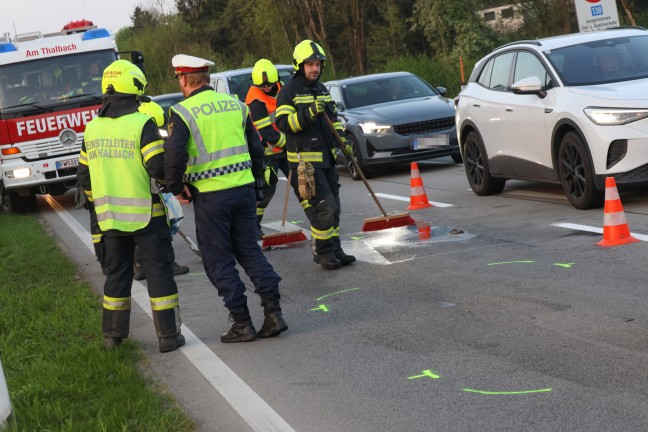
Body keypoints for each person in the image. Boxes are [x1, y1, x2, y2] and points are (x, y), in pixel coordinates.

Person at [164, 54, 287, 342]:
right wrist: (255, 182)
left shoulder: (181, 112)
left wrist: (175, 186)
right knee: (250, 251)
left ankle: (242, 323)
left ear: (183, 79)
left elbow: (175, 155)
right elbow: (256, 149)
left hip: (210, 197)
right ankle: (274, 313)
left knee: (218, 260)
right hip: (243, 191)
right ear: (206, 77)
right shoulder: (236, 105)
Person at [77, 59, 185, 353]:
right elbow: (157, 167)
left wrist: (99, 200)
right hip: (146, 217)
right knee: (159, 272)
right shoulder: (142, 123)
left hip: (110, 220)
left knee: (117, 276)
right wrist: (170, 184)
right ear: (135, 90)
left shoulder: (92, 129)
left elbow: (84, 176)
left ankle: (112, 337)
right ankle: (168, 337)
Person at [275, 40, 356, 270]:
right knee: (324, 207)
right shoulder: (288, 91)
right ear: (299, 66)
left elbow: (334, 121)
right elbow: (282, 123)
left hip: (327, 159)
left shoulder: (321, 89)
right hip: (305, 164)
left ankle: (335, 250)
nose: (315, 69)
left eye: (318, 64)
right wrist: (309, 112)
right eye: (310, 64)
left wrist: (344, 142)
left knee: (335, 208)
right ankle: (322, 253)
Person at [134, 100, 190, 281]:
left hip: (135, 190)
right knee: (163, 225)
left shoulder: (138, 122)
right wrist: (171, 185)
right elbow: (157, 164)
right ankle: (167, 264)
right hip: (149, 187)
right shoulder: (143, 127)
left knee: (141, 229)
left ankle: (140, 266)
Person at [244, 59, 289, 239]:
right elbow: (267, 132)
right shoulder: (254, 98)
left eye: (269, 85)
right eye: (262, 86)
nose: (266, 88)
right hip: (267, 152)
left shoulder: (283, 87)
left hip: (286, 147)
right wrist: (289, 142)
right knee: (267, 190)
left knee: (303, 182)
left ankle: (318, 219)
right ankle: (254, 225)